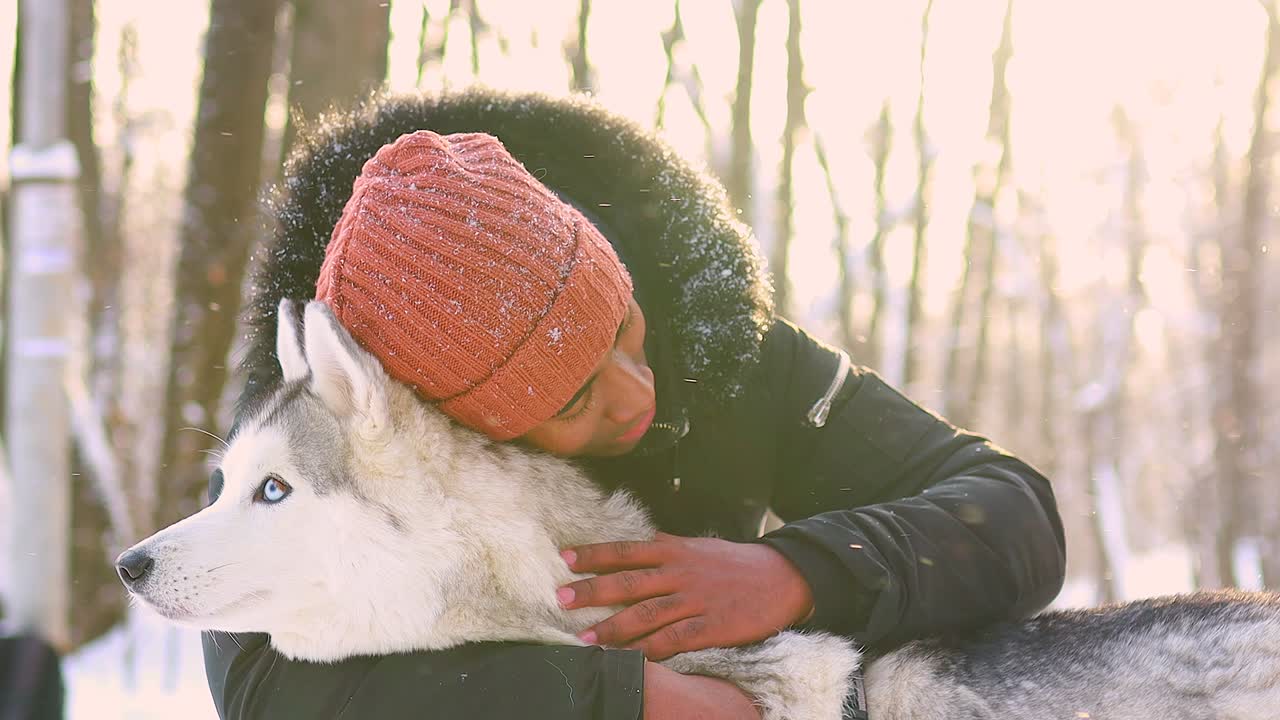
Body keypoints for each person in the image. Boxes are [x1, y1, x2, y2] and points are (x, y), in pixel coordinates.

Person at [203, 89, 1065, 720]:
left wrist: (799, 573)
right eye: (576, 395)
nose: (638, 392)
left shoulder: (719, 346)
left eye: (623, 329)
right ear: (457, 425)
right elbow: (262, 690)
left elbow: (1013, 515)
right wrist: (622, 701)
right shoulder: (330, 426)